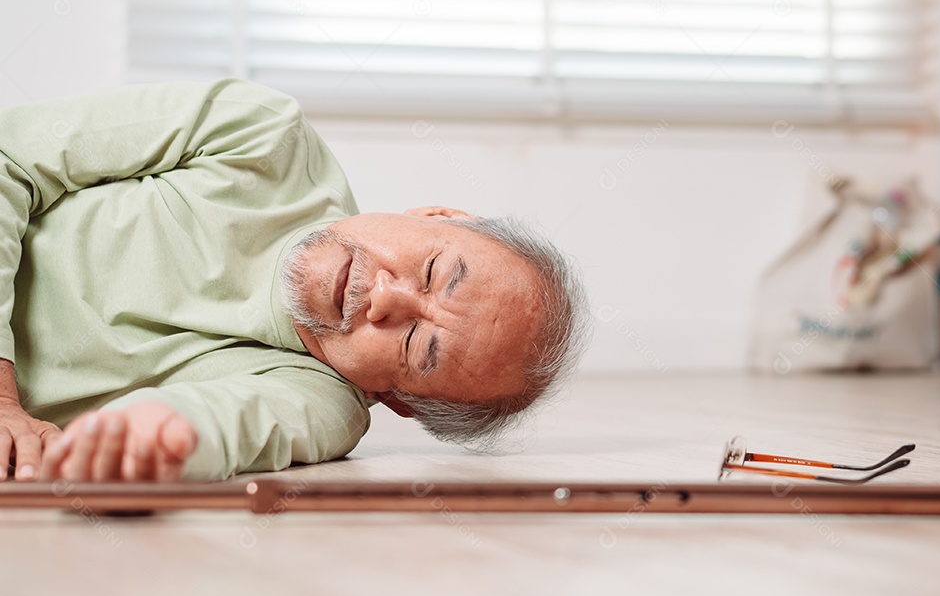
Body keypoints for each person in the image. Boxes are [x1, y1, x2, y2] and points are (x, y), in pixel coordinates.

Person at [0, 80, 589, 483]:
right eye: (435, 272)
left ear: (400, 402)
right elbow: (10, 154)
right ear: (437, 216)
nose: (385, 298)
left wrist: (149, 442)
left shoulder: (322, 407)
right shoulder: (260, 135)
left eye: (416, 346)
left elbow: (217, 425)